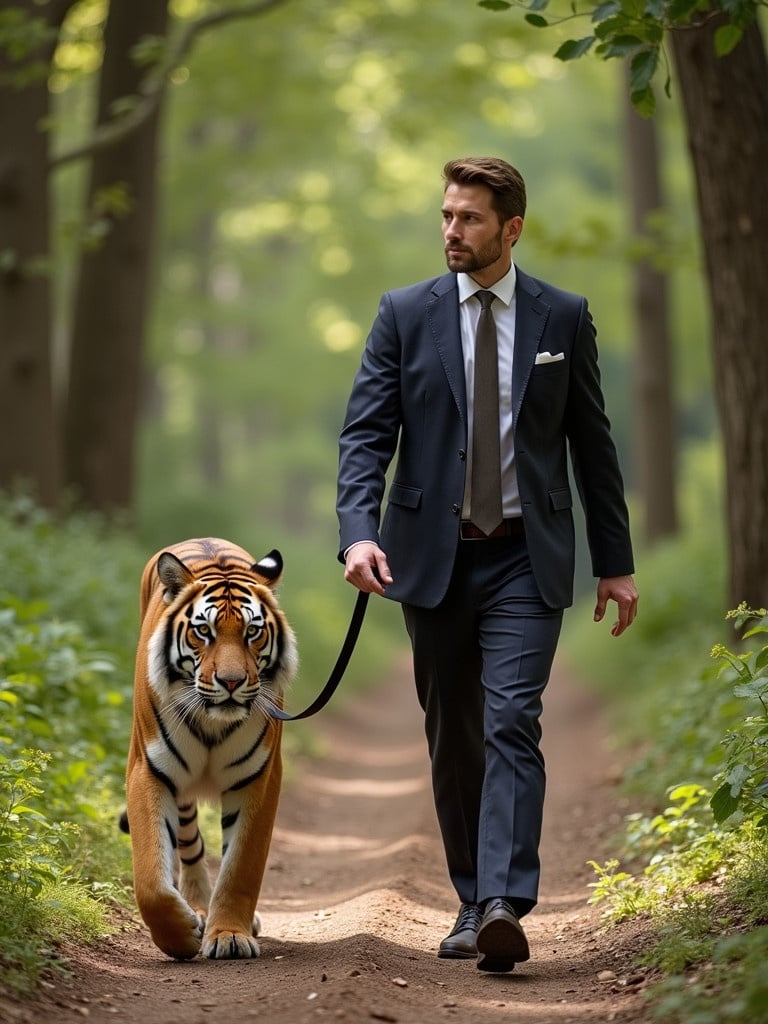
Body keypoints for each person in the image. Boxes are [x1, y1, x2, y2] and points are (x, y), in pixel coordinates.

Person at [336, 156, 638, 973]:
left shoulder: (562, 318)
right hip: (427, 561)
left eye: (468, 219)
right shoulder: (404, 314)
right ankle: (471, 898)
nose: (450, 232)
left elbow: (592, 446)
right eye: (445, 216)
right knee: (454, 733)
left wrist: (616, 562)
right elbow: (366, 435)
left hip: (524, 558)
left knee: (512, 719)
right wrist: (357, 533)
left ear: (511, 228)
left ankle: (506, 901)